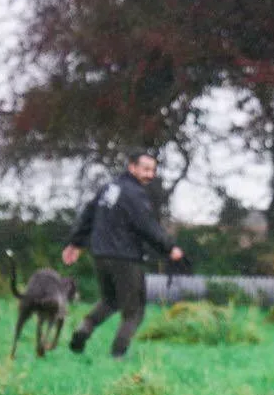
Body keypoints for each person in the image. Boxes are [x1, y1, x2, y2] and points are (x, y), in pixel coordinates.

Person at [62, 149, 184, 358]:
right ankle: (117, 355)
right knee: (134, 311)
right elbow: (146, 225)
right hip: (125, 258)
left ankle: (84, 329)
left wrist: (76, 243)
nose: (150, 174)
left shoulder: (108, 189)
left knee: (110, 300)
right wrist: (169, 247)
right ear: (132, 167)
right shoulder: (134, 193)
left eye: (152, 170)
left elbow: (88, 215)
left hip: (100, 255)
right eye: (145, 169)